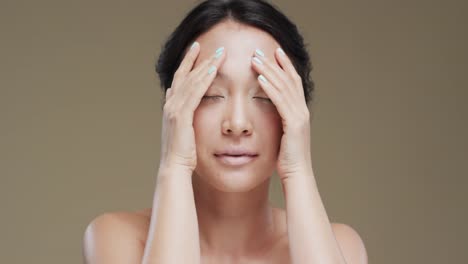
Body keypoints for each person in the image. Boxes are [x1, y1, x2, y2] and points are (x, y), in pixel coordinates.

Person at [82, 0, 368, 263]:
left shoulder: (340, 246)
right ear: (174, 106)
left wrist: (298, 170)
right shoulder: (116, 238)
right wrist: (175, 165)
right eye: (210, 95)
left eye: (265, 96)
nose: (237, 123)